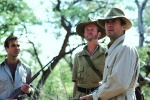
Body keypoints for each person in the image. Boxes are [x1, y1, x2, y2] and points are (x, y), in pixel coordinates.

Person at [80, 8, 140, 100]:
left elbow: (119, 84)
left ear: (123, 26)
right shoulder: (113, 50)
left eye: (114, 22)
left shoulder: (125, 48)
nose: (109, 25)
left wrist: (94, 96)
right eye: (107, 22)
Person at [72, 18, 106, 100]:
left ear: (99, 34)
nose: (89, 31)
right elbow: (76, 83)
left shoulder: (107, 54)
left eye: (92, 29)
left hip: (99, 96)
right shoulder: (78, 56)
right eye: (86, 30)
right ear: (84, 34)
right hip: (80, 97)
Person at [0, 35, 33, 99]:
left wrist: (29, 90)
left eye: (18, 45)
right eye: (13, 45)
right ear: (6, 49)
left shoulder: (27, 69)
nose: (17, 48)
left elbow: (31, 89)